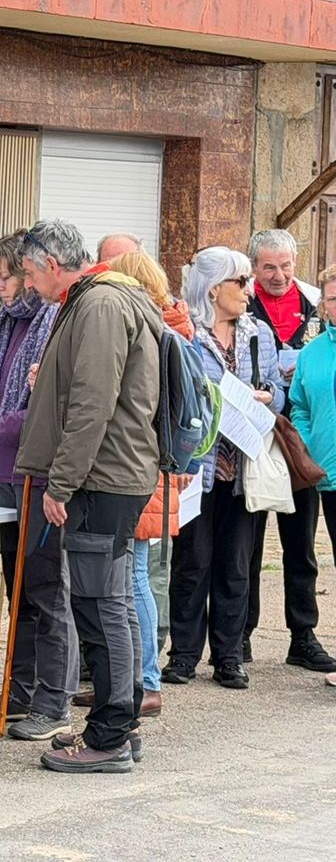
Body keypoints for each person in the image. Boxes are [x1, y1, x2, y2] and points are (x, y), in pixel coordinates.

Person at [15, 219, 162, 775]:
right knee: (112, 605)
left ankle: (109, 737)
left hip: (102, 480)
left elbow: (92, 404)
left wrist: (62, 483)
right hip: (109, 477)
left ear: (53, 265)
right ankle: (118, 725)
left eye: (29, 272)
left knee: (101, 609)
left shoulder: (99, 305)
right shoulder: (99, 300)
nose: (29, 284)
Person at [0, 232, 73, 740]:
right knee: (16, 585)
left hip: (38, 472)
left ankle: (54, 698)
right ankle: (18, 691)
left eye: (4, 274)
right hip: (6, 467)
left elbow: (47, 404)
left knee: (46, 589)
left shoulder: (52, 318)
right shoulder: (6, 319)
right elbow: (1, 385)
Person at [74, 250, 193, 719]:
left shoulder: (157, 332)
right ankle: (135, 680)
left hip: (141, 466)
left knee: (134, 579)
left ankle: (143, 681)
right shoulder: (168, 328)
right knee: (131, 579)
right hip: (151, 464)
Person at [166, 247, 285, 693]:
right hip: (201, 464)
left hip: (245, 465)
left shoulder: (259, 335)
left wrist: (268, 397)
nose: (249, 290)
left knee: (237, 565)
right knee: (192, 562)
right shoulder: (185, 336)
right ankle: (183, 656)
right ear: (215, 289)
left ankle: (230, 657)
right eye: (241, 281)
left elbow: (277, 389)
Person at [242, 229, 334, 672]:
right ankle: (238, 637)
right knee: (248, 545)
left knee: (300, 546)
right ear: (254, 267)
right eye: (269, 268)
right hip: (254, 436)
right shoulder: (241, 303)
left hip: (299, 442)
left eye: (286, 266)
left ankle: (303, 636)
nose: (279, 276)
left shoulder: (316, 303)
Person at [289, 266, 336, 686]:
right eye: (333, 298)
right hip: (322, 472)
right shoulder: (313, 352)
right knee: (314, 556)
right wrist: (304, 444)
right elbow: (299, 404)